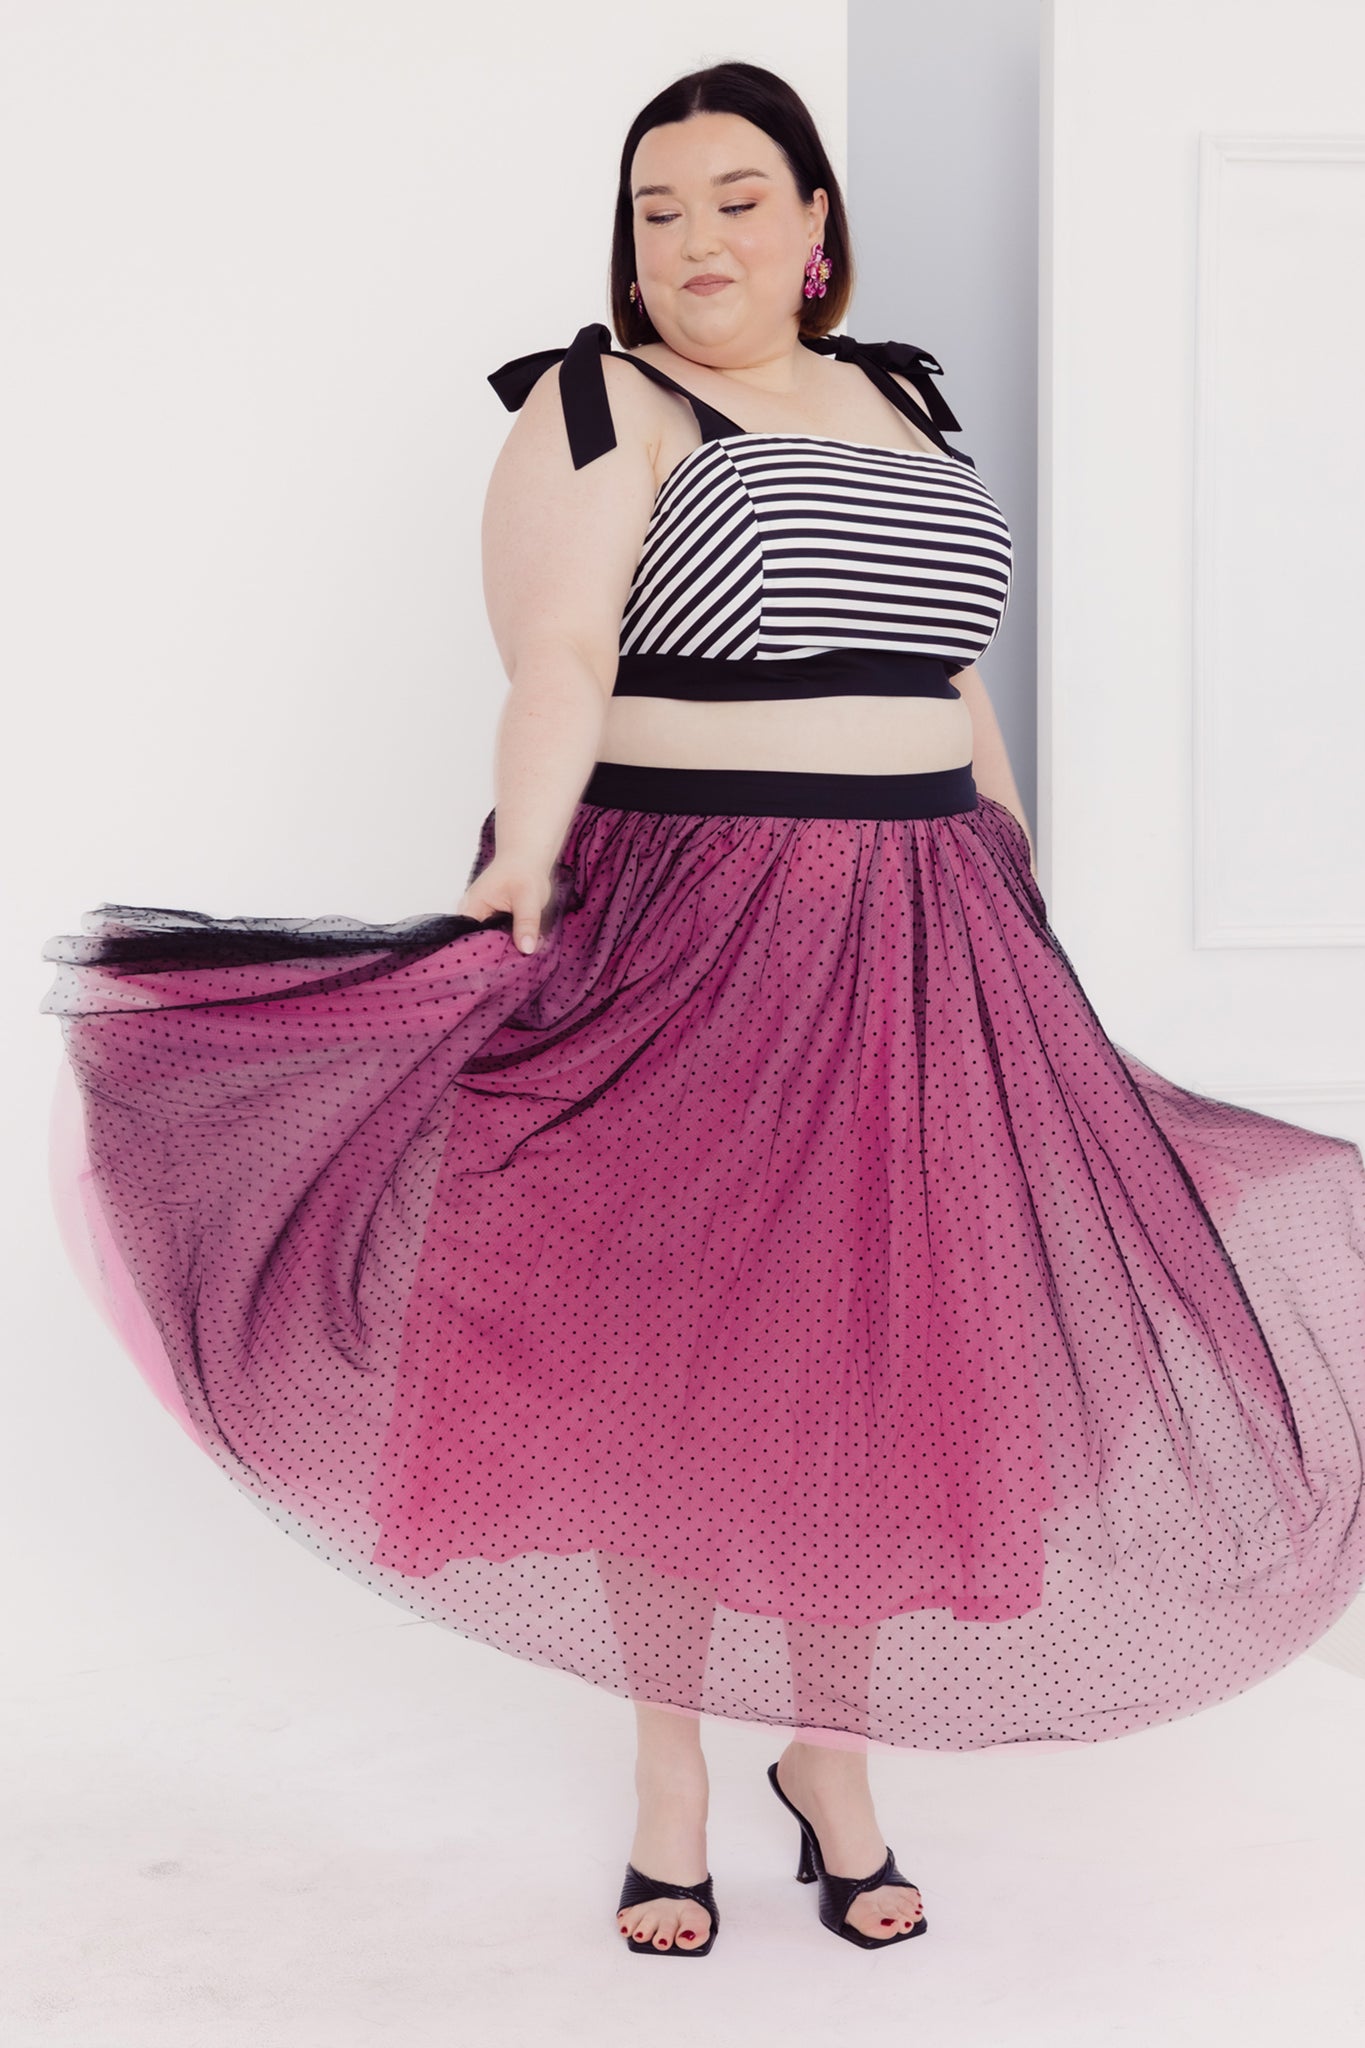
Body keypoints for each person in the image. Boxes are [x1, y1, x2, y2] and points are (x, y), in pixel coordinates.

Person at [40, 61, 1365, 1965]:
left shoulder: (902, 399)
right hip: (698, 918)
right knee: (672, 1343)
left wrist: (1009, 859)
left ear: (817, 229)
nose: (692, 239)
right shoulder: (599, 404)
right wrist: (526, 852)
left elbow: (947, 668)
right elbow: (562, 649)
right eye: (657, 210)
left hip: (930, 926)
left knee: (879, 1339)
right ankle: (672, 1768)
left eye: (735, 199)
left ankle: (827, 1758)